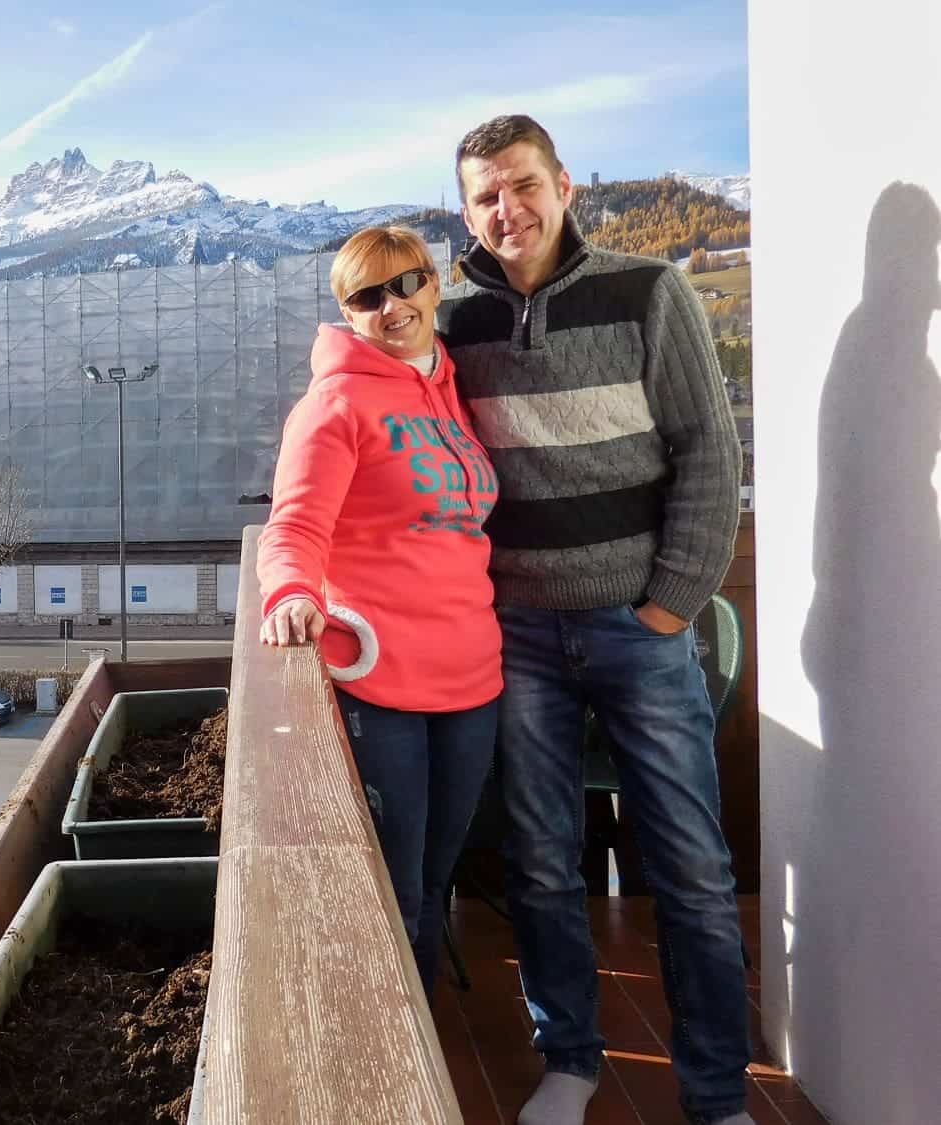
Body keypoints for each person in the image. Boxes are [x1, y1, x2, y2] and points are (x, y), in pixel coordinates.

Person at [439, 114, 749, 1125]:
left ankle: (715, 1094)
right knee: (537, 858)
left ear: (564, 186)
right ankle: (568, 1058)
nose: (505, 208)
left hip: (638, 628)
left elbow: (710, 452)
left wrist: (670, 605)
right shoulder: (453, 324)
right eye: (484, 194)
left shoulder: (647, 292)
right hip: (517, 637)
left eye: (521, 184)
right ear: (468, 209)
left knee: (693, 869)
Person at [257, 225, 502, 998]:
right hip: (384, 682)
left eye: (406, 284)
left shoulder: (452, 386)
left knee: (433, 880)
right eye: (369, 295)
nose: (392, 305)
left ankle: (420, 1040)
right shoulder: (334, 404)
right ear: (348, 312)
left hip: (475, 681)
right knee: (394, 890)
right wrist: (292, 593)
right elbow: (294, 526)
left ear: (434, 285)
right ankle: (393, 1063)